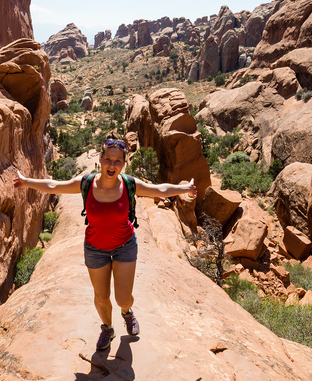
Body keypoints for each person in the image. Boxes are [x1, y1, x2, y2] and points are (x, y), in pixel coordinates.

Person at [13, 136, 197, 350]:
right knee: (101, 297)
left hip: (125, 246)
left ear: (124, 163)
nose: (112, 165)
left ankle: (127, 313)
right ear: (100, 159)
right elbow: (54, 185)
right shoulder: (86, 183)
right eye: (108, 159)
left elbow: (159, 190)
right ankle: (107, 329)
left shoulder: (129, 184)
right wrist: (26, 182)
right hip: (95, 249)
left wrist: (184, 189)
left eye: (117, 161)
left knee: (123, 298)